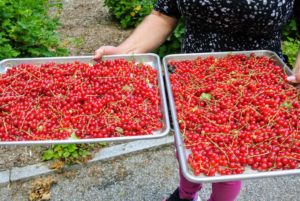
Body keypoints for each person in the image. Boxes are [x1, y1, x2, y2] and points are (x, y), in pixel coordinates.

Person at [94, 1, 300, 201]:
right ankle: (186, 195)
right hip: (190, 81)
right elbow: (163, 16)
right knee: (188, 149)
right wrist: (125, 52)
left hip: (256, 87)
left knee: (230, 165)